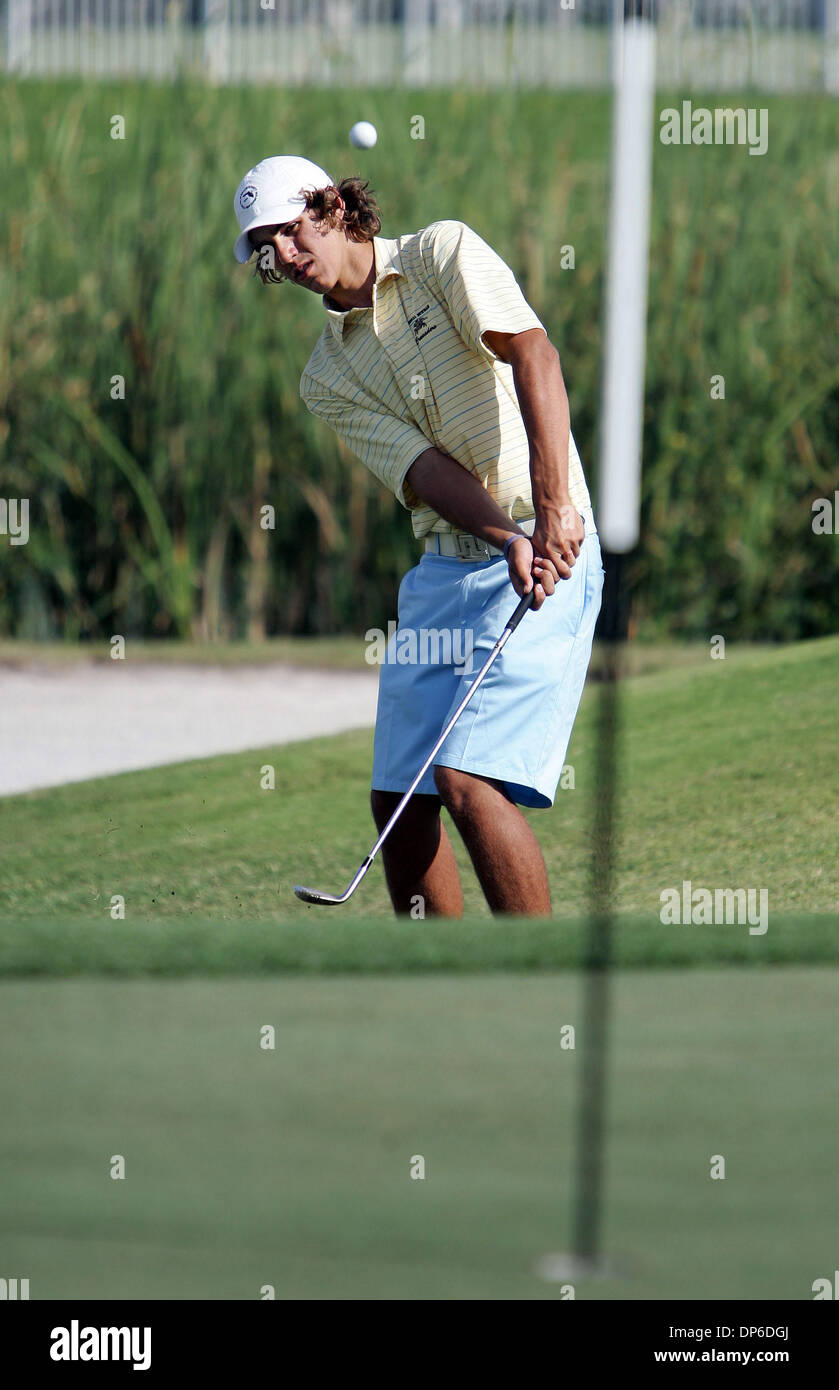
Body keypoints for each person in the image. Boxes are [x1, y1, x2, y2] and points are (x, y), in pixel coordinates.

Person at [233, 155, 604, 918]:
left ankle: (530, 981)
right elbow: (425, 472)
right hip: (452, 567)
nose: (286, 260)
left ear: (332, 206)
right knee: (398, 797)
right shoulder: (325, 376)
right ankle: (444, 990)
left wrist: (549, 509)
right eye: (268, 253)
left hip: (552, 535)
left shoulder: (441, 254)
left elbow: (533, 352)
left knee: (466, 781)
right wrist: (506, 540)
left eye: (291, 235)